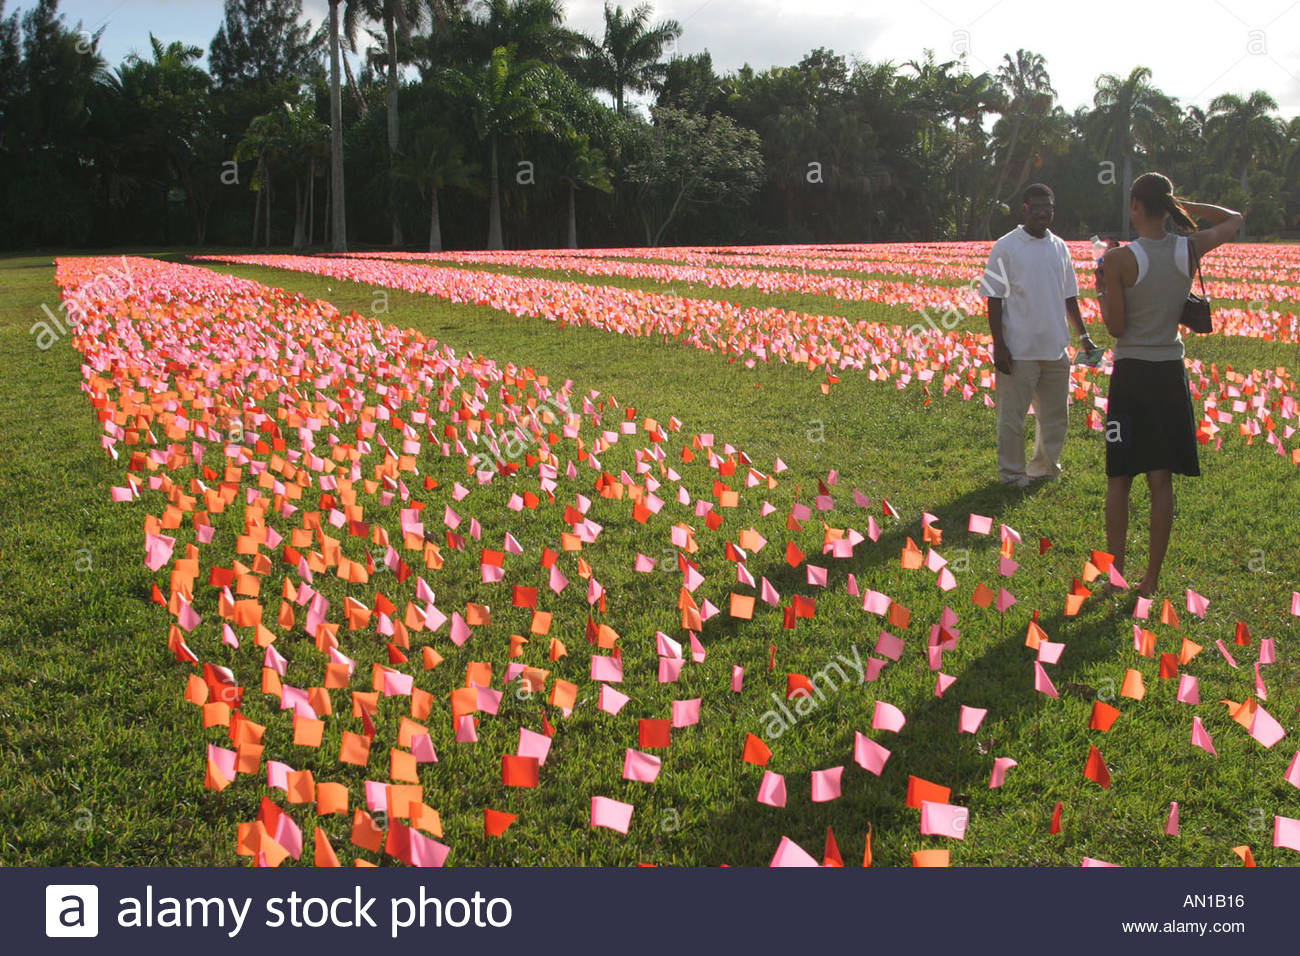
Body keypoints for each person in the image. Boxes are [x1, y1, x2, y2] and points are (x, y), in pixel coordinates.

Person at [1096, 172, 1241, 597]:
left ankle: (1116, 576)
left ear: (1135, 207)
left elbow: (1117, 328)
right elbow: (1233, 219)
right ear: (1167, 206)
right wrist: (1185, 206)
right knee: (1162, 481)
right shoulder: (1189, 247)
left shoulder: (1119, 260)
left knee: (1119, 477)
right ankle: (1150, 581)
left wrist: (1101, 290)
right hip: (1168, 376)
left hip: (1131, 376)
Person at [981, 183, 1095, 488]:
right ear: (1024, 210)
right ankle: (1011, 475)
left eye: (1049, 208)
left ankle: (1044, 467)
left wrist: (1083, 336)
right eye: (1036, 207)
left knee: (1055, 417)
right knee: (1011, 419)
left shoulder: (1059, 246)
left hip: (1055, 349)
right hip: (1019, 350)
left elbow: (1069, 296)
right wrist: (999, 345)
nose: (1043, 213)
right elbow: (993, 298)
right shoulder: (1006, 247)